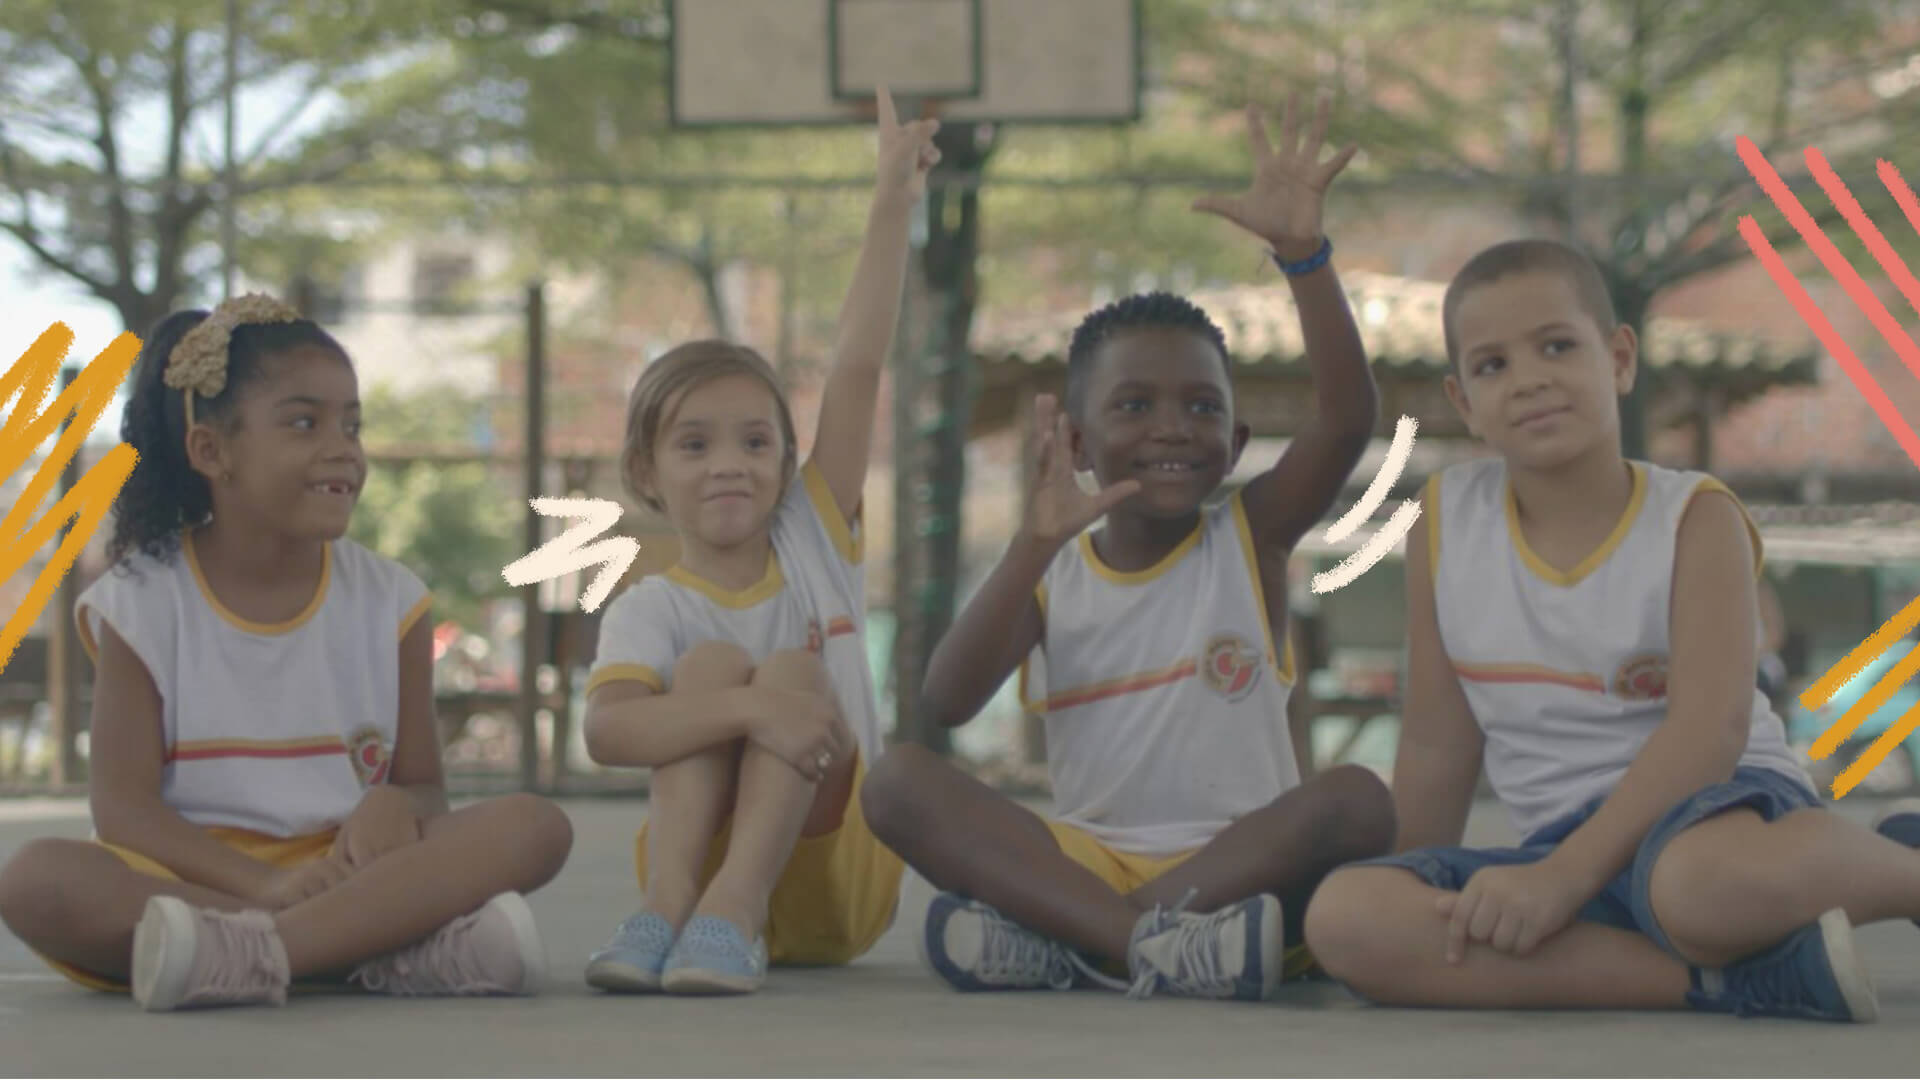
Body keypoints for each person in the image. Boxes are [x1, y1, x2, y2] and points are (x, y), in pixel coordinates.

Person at [859, 94, 1396, 1002]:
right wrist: (1029, 547)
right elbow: (946, 701)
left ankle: (1075, 947)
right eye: (1133, 405)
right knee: (899, 782)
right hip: (1089, 868)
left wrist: (1304, 257)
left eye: (1201, 407)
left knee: (1358, 800)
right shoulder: (1052, 572)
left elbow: (1348, 420)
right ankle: (1146, 946)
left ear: (1234, 446)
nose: (1171, 428)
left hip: (1240, 874)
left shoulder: (1249, 539)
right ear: (1074, 442)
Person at [1302, 236, 1920, 1023]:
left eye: (1557, 346)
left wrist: (1564, 879)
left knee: (1692, 889)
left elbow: (1710, 732)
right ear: (1465, 403)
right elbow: (1434, 744)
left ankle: (1906, 871)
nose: (1529, 379)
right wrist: (1419, 880)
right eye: (1493, 366)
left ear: (1620, 359)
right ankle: (1741, 982)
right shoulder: (1444, 527)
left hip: (1716, 815)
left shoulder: (1695, 517)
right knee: (1347, 918)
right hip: (1553, 851)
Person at [0, 294, 574, 1012]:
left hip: (352, 876)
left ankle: (257, 956)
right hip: (195, 882)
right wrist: (266, 887)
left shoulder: (390, 600)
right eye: (304, 423)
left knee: (535, 826)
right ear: (212, 452)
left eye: (352, 425)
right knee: (36, 879)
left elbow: (425, 789)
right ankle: (373, 951)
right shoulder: (141, 603)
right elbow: (125, 813)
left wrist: (394, 803)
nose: (343, 448)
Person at [578, 88, 937, 995]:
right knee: (710, 672)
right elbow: (609, 733)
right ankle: (667, 911)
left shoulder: (813, 538)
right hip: (683, 896)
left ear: (785, 462)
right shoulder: (649, 606)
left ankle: (735, 910)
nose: (728, 464)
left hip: (833, 881)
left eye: (755, 441)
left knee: (790, 675)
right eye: (694, 444)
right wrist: (745, 714)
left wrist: (892, 197)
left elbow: (857, 365)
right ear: (647, 470)